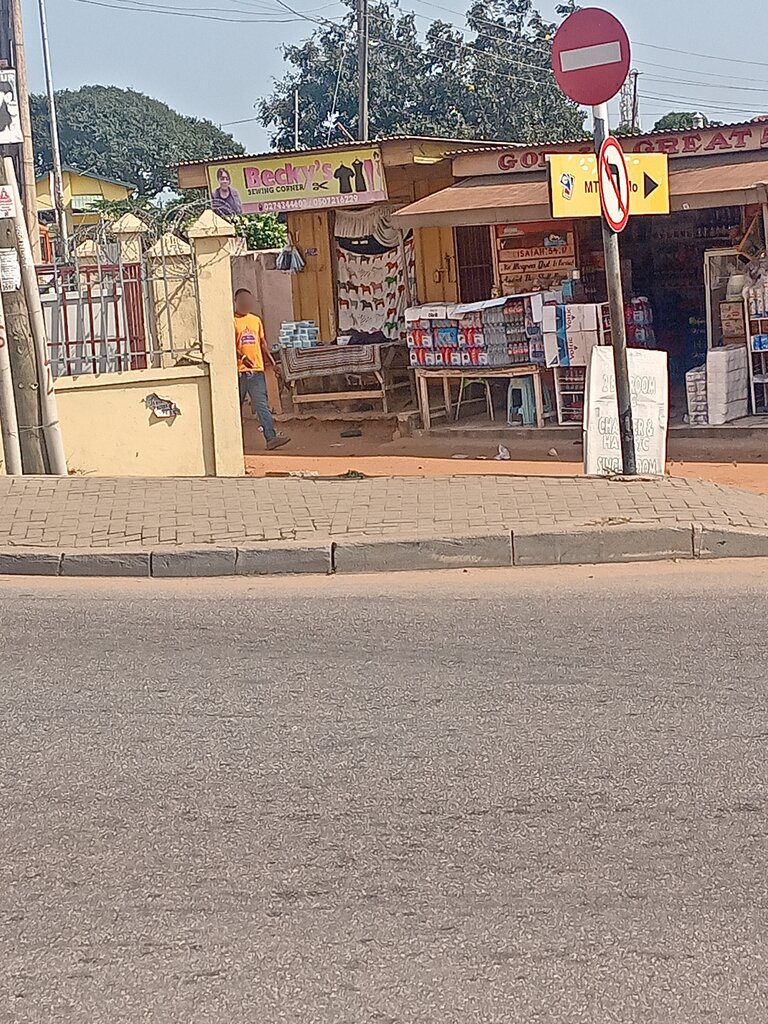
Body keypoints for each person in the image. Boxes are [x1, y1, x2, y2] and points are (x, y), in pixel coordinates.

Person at [234, 289, 290, 451]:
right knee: (235, 406)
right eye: (243, 300)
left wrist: (272, 364)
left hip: (256, 371)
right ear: (236, 302)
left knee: (261, 405)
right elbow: (229, 343)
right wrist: (243, 358)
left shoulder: (255, 320)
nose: (247, 304)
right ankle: (231, 442)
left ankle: (271, 437)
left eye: (249, 301)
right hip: (238, 372)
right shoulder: (232, 321)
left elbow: (263, 343)